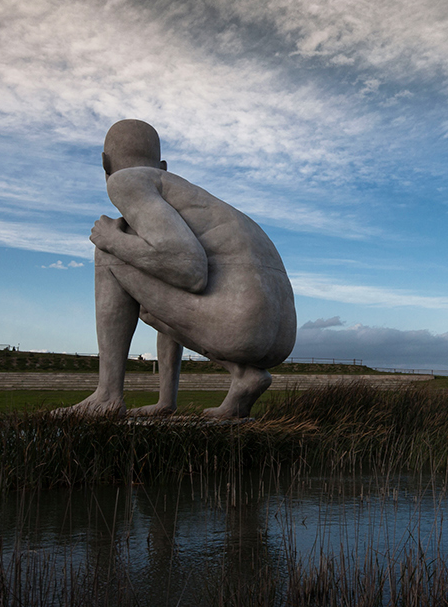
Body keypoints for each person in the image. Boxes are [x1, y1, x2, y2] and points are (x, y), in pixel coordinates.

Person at [59, 119, 296, 419]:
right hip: (279, 334)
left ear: (105, 164)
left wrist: (112, 240)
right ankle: (235, 379)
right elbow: (180, 269)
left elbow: (189, 269)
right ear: (163, 165)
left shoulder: (126, 180)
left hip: (239, 319)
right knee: (150, 300)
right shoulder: (189, 198)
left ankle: (107, 394)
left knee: (109, 248)